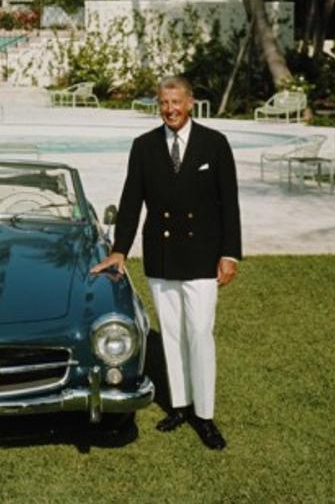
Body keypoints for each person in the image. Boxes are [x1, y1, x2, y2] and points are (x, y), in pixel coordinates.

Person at [91, 75, 241, 450]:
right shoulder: (144, 147)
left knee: (200, 333)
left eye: (176, 103)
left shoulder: (215, 144)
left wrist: (229, 253)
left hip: (203, 256)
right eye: (163, 103)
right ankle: (179, 405)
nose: (169, 110)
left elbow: (229, 203)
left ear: (190, 103)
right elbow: (131, 202)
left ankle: (204, 415)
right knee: (171, 335)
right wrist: (120, 249)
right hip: (162, 255)